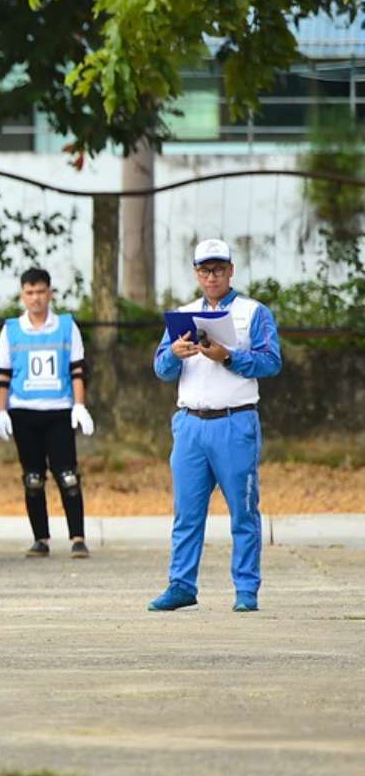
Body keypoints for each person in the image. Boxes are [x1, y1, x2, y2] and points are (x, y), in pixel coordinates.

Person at [149, 239, 282, 612]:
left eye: (219, 269)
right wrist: (173, 355)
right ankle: (181, 584)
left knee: (243, 510)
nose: (212, 277)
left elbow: (271, 362)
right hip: (191, 423)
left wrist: (230, 358)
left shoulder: (253, 312)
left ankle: (246, 589)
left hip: (234, 420)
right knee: (187, 512)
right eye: (205, 270)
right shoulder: (183, 314)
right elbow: (161, 368)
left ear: (231, 270)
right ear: (196, 273)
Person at [0, 268, 94, 558]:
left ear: (50, 293)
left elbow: (77, 368)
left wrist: (79, 405)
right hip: (24, 411)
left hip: (59, 410)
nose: (35, 298)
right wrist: (1, 411)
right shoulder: (12, 329)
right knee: (33, 477)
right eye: (29, 292)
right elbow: (3, 374)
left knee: (68, 475)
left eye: (40, 292)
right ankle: (41, 538)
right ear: (22, 295)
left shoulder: (65, 326)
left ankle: (77, 537)